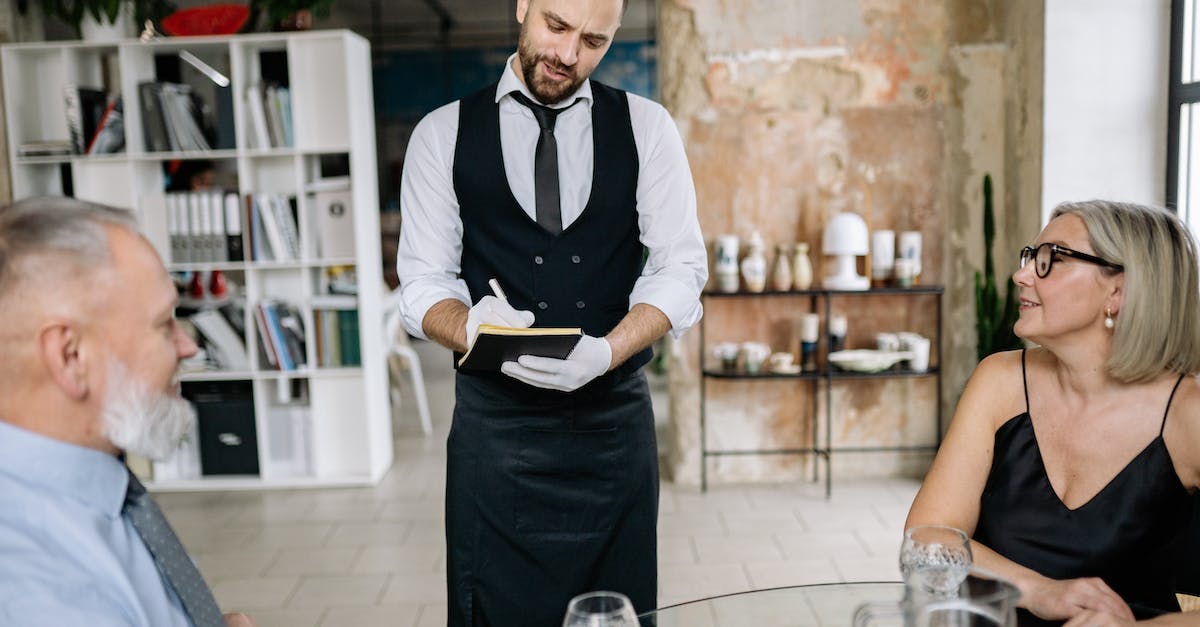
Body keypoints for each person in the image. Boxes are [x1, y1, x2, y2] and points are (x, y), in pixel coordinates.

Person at [395, 0, 708, 624]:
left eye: (594, 40)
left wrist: (609, 349)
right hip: (496, 432)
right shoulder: (442, 133)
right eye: (556, 26)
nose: (568, 55)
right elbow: (421, 284)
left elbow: (682, 269)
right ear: (523, 7)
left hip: (613, 431)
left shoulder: (647, 127)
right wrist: (471, 327)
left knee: (617, 615)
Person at [906, 200, 1200, 626]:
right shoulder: (999, 381)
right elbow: (926, 540)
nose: (1021, 275)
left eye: (1052, 260)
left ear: (1118, 291)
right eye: (1032, 256)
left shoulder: (1188, 414)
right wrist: (1037, 590)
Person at [0, 197, 255, 627]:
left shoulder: (96, 484)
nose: (188, 345)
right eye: (163, 324)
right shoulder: (41, 590)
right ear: (71, 356)